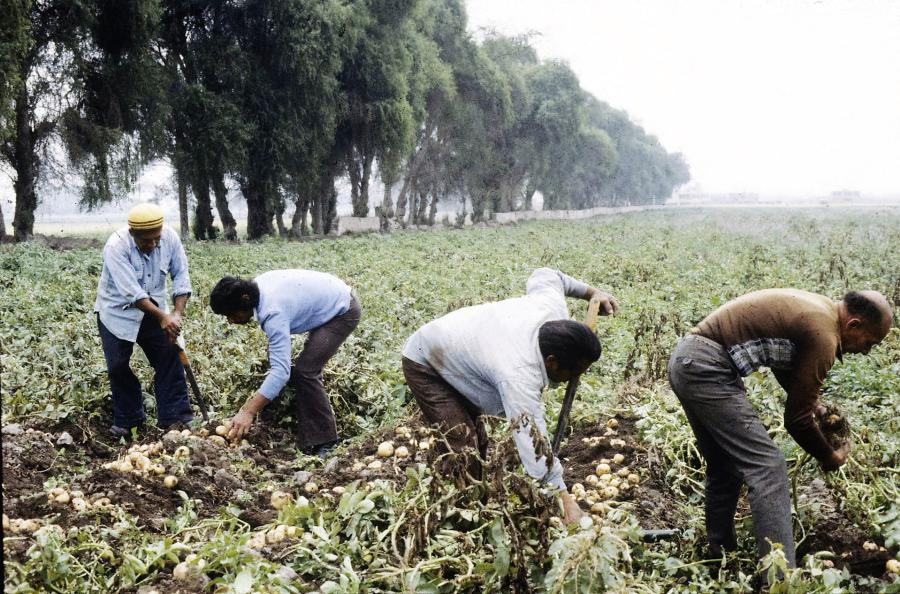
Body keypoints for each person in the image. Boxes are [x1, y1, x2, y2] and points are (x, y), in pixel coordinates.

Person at [667, 289, 893, 566]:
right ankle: (779, 577)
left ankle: (720, 559)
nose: (866, 351)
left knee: (724, 466)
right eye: (869, 342)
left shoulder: (821, 310)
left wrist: (817, 408)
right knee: (768, 466)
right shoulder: (825, 334)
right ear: (854, 324)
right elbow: (796, 420)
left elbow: (783, 361)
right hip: (706, 367)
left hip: (689, 360)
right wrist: (829, 456)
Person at [401, 268, 619, 524]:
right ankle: (458, 520)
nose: (574, 379)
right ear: (551, 362)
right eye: (573, 372)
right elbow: (533, 442)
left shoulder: (552, 310)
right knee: (463, 447)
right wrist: (565, 500)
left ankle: (468, 495)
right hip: (427, 359)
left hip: (466, 349)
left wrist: (592, 293)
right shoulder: (518, 374)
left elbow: (548, 276)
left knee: (474, 441)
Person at [208, 270, 361, 457]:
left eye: (231, 314)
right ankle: (285, 420)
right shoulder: (256, 289)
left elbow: (281, 372)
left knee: (306, 370)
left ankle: (327, 442)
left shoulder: (272, 311)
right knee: (279, 361)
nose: (231, 321)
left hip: (342, 310)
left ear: (245, 300)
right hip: (329, 299)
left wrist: (247, 411)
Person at [94, 203, 194, 436]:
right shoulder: (116, 246)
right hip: (117, 310)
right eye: (146, 241)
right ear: (133, 234)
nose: (153, 244)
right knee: (118, 366)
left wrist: (176, 315)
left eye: (156, 238)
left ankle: (175, 418)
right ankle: (128, 421)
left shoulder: (169, 238)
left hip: (156, 307)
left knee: (170, 355)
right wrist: (163, 317)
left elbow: (181, 276)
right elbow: (133, 293)